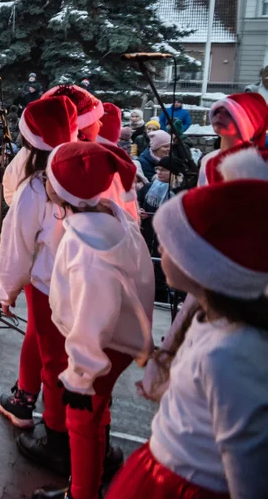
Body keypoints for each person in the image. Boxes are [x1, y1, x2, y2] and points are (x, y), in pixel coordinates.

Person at [108, 179, 268, 499]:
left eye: (170, 243)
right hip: (164, 467)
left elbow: (248, 474)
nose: (158, 248)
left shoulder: (229, 354)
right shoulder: (207, 319)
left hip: (182, 486)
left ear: (202, 266)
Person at [28, 142, 154, 499]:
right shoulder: (113, 216)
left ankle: (81, 493)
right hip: (117, 339)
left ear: (64, 191)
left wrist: (81, 374)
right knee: (96, 414)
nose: (45, 184)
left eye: (49, 179)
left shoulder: (88, 246)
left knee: (81, 419)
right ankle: (95, 471)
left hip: (103, 344)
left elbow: (93, 311)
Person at [0, 96, 79, 433]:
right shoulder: (84, 171)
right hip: (86, 280)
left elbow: (18, 246)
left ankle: (56, 431)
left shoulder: (35, 187)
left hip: (47, 283)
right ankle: (40, 405)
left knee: (52, 354)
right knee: (63, 348)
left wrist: (6, 290)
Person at [198, 92, 268, 186]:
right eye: (218, 111)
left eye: (229, 113)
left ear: (247, 124)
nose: (220, 115)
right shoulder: (208, 159)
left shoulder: (258, 164)